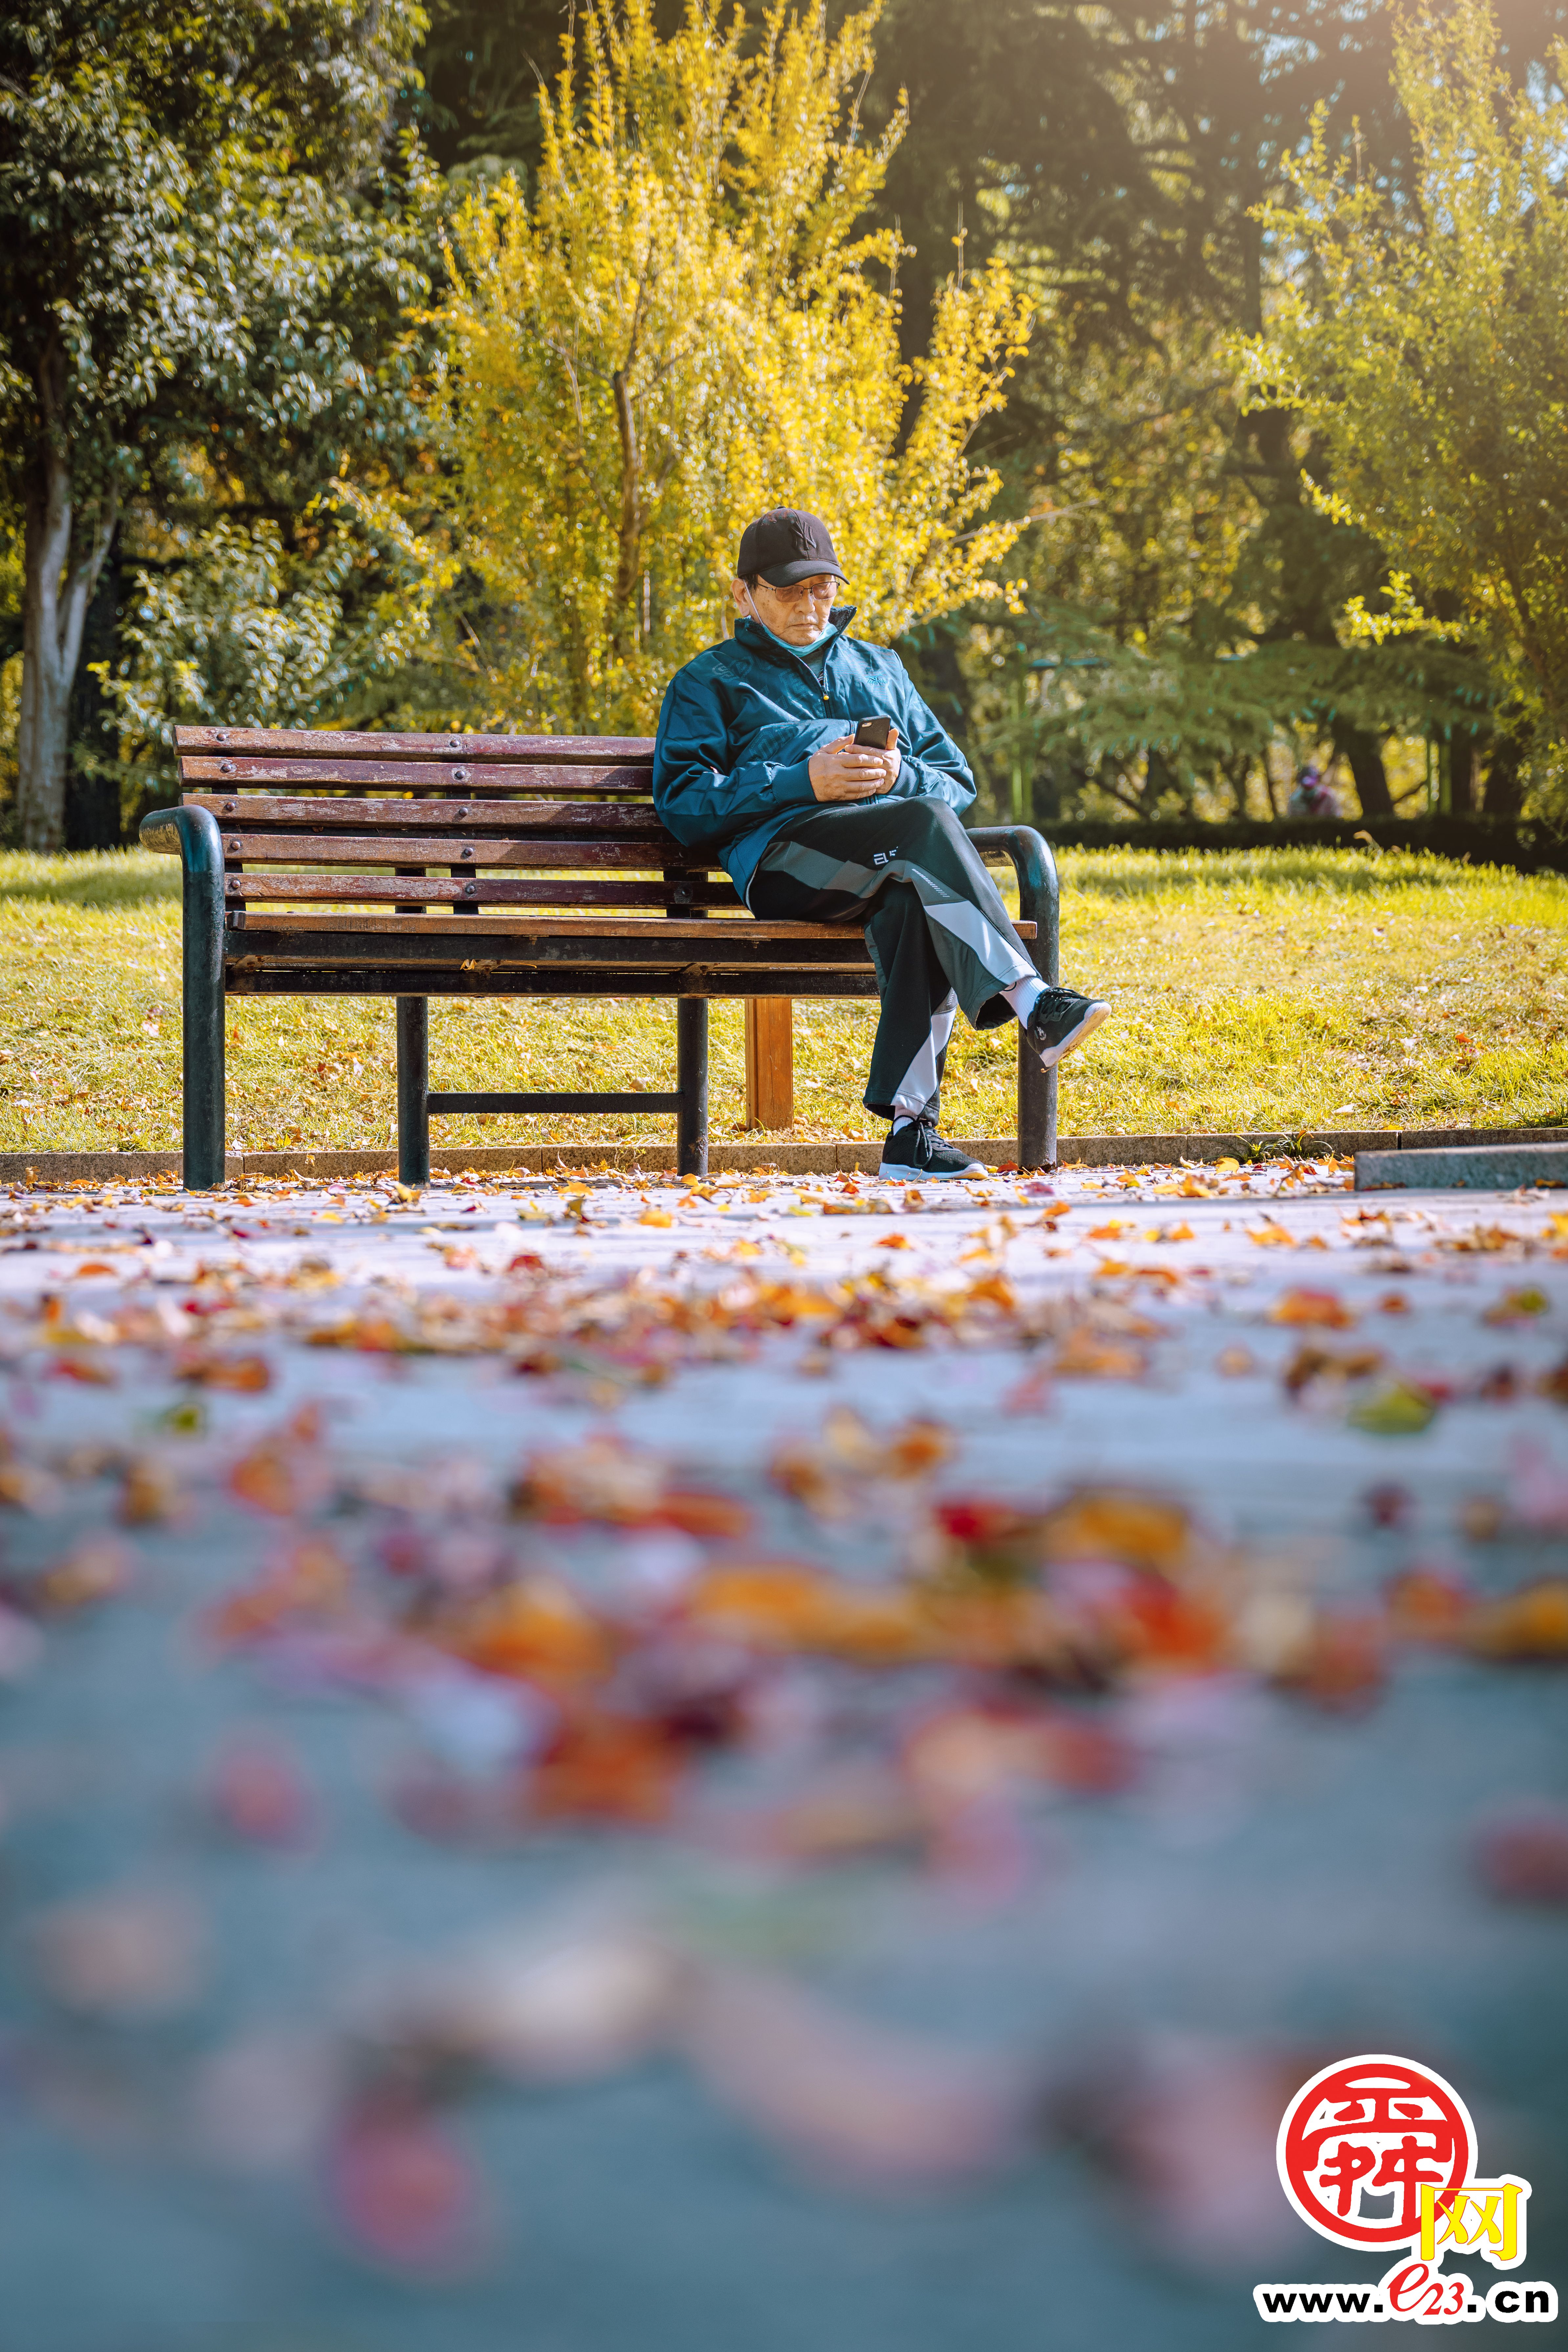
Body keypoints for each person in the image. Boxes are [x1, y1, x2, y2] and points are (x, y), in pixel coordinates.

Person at [651, 508, 1111, 1179]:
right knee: (921, 829)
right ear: (743, 594)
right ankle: (1032, 999)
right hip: (784, 863)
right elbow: (687, 807)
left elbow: (955, 779)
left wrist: (901, 773)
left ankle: (910, 1135)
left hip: (889, 861)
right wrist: (800, 781)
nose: (810, 604)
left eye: (821, 587)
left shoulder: (881, 668)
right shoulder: (709, 681)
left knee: (914, 905)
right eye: (788, 590)